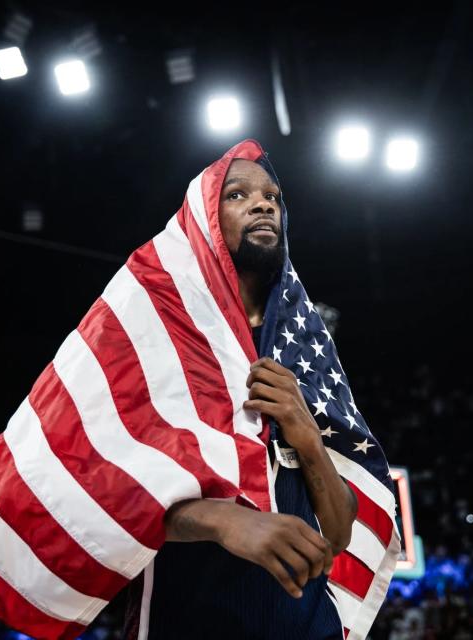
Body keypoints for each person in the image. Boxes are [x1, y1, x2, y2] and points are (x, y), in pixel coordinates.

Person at [123, 156, 362, 639]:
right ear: (205, 222)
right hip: (185, 621)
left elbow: (337, 535)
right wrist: (220, 520)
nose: (262, 204)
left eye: (273, 198)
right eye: (238, 195)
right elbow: (106, 493)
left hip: (306, 626)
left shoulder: (306, 352)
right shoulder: (160, 338)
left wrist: (308, 437)